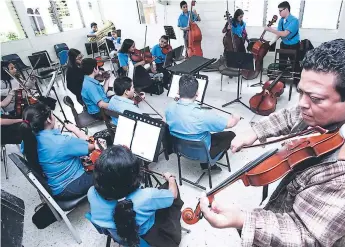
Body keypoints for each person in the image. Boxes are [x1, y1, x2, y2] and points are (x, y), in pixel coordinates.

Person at [199, 39, 345, 246]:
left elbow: (305, 236)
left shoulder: (340, 179)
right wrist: (254, 131)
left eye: (316, 98)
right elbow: (289, 115)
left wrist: (242, 220)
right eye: (301, 92)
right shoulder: (317, 114)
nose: (302, 104)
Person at [88, 145, 183, 247]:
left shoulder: (91, 192)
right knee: (170, 190)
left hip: (119, 235)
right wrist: (171, 178)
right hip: (149, 238)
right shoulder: (148, 197)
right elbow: (173, 196)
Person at [20, 102, 96, 200]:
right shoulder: (61, 141)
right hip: (71, 185)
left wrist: (54, 133)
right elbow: (91, 146)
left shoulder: (27, 141)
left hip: (56, 186)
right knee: (108, 169)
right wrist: (75, 129)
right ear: (48, 119)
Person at [165, 74, 240, 171]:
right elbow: (230, 124)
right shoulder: (204, 114)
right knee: (231, 135)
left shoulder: (169, 108)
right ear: (197, 93)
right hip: (204, 152)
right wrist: (236, 117)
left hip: (180, 148)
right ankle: (207, 164)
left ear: (178, 91)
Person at [265, 1, 301, 81]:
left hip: (294, 45)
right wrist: (269, 44)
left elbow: (285, 34)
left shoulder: (294, 21)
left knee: (295, 65)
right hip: (284, 44)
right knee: (281, 64)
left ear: (286, 10)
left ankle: (297, 83)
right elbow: (279, 34)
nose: (279, 13)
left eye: (280, 11)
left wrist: (270, 29)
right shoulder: (281, 20)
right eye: (279, 11)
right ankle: (281, 83)